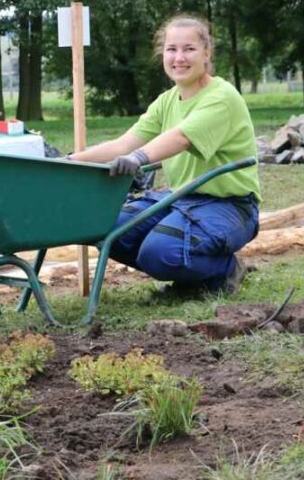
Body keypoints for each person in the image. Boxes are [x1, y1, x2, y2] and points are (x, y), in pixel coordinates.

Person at [68, 15, 260, 293]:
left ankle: (227, 269)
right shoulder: (168, 100)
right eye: (171, 49)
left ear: (206, 53)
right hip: (180, 197)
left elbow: (181, 137)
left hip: (229, 206)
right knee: (103, 226)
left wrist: (139, 158)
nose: (179, 57)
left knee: (158, 253)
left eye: (189, 49)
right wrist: (68, 161)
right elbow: (123, 144)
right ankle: (191, 273)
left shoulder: (222, 97)